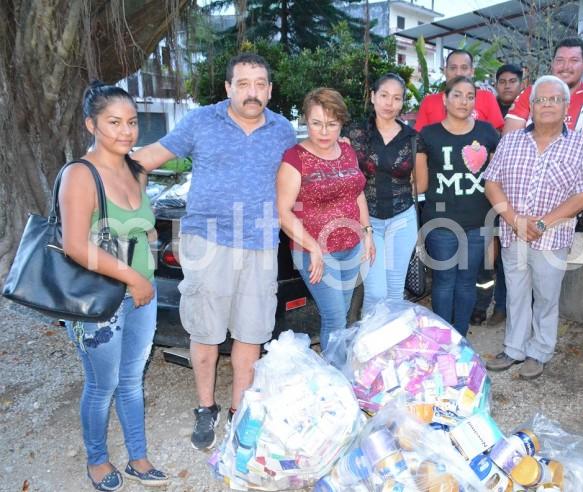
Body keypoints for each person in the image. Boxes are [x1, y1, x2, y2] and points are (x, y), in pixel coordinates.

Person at [132, 53, 297, 449]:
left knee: (251, 332)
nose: (252, 92)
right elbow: (144, 161)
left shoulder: (283, 131)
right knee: (204, 332)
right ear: (228, 88)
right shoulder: (201, 121)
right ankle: (206, 408)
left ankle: (239, 412)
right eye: (243, 83)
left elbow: (297, 184)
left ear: (270, 91)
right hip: (207, 243)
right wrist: (133, 214)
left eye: (260, 84)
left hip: (260, 244)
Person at [60, 82, 168, 490]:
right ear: (91, 124)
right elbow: (74, 245)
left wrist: (148, 267)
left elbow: (145, 229)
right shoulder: (80, 175)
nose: (126, 131)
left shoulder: (133, 169)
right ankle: (97, 461)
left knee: (131, 380)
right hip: (99, 300)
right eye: (114, 123)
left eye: (132, 122)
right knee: (102, 385)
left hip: (143, 293)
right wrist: (133, 278)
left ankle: (138, 458)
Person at [483, 75, 583, 380]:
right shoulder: (511, 141)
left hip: (552, 237)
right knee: (515, 293)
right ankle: (513, 349)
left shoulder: (580, 145)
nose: (547, 105)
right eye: (541, 99)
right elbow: (491, 184)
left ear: (566, 106)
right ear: (532, 105)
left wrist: (541, 223)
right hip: (514, 233)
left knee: (547, 297)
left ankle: (538, 351)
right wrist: (515, 219)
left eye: (555, 99)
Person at [277, 88, 374, 350]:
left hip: (351, 246)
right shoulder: (295, 158)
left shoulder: (347, 151)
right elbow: (283, 212)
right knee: (334, 318)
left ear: (341, 123)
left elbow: (357, 194)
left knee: (341, 316)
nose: (323, 132)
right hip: (316, 252)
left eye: (331, 124)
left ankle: (336, 371)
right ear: (305, 121)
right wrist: (312, 247)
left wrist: (367, 233)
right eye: (316, 123)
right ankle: (335, 377)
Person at [416, 76, 500, 336]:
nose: (464, 101)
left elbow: (496, 178)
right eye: (457, 95)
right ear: (445, 99)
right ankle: (443, 338)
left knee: (466, 281)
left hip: (478, 221)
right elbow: (420, 184)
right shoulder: (428, 135)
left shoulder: (487, 132)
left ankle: (460, 336)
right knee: (443, 282)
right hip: (440, 222)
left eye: (470, 96)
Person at [346, 74, 418, 314]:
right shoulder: (355, 133)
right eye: (384, 95)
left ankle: (390, 348)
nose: (390, 103)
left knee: (395, 291)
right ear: (373, 96)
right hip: (368, 220)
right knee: (376, 292)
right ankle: (369, 347)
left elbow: (419, 182)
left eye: (397, 98)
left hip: (402, 218)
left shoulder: (412, 138)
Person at [471, 63, 525, 326]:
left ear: (521, 84)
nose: (507, 85)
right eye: (502, 81)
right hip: (487, 192)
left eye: (512, 81)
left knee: (508, 255)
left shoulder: (529, 111)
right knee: (486, 254)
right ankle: (482, 303)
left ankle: (503, 307)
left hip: (516, 194)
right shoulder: (486, 111)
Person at [503, 38, 583, 139]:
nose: (566, 67)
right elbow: (509, 139)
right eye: (560, 60)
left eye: (574, 60)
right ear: (552, 63)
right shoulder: (532, 92)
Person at [414, 49, 505, 132]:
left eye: (464, 68)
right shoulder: (429, 101)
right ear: (445, 71)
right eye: (453, 68)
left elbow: (496, 134)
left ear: (472, 72)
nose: (458, 73)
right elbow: (419, 138)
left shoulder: (487, 97)